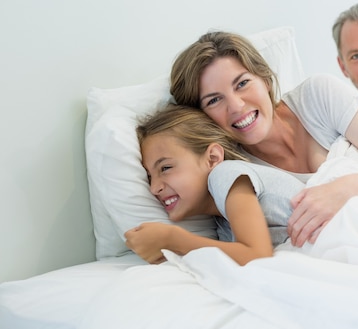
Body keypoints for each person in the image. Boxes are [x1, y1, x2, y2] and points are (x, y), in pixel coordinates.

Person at [169, 30, 358, 247]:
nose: (237, 106)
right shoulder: (238, 173)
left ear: (264, 79)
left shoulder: (317, 96)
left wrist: (345, 189)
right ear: (202, 115)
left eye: (242, 84)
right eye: (214, 100)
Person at [124, 104, 307, 265]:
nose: (154, 188)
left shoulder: (225, 174)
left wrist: (172, 239)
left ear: (212, 159)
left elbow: (257, 256)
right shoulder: (223, 227)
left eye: (165, 168)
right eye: (149, 177)